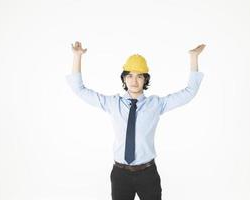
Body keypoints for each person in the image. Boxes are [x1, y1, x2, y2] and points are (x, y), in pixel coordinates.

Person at [66, 41, 206, 200]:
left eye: (139, 76)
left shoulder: (156, 104)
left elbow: (189, 92)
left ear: (145, 80)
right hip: (120, 174)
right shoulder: (113, 103)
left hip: (147, 173)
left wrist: (194, 58)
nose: (134, 81)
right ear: (124, 79)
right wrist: (77, 57)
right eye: (130, 76)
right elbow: (79, 89)